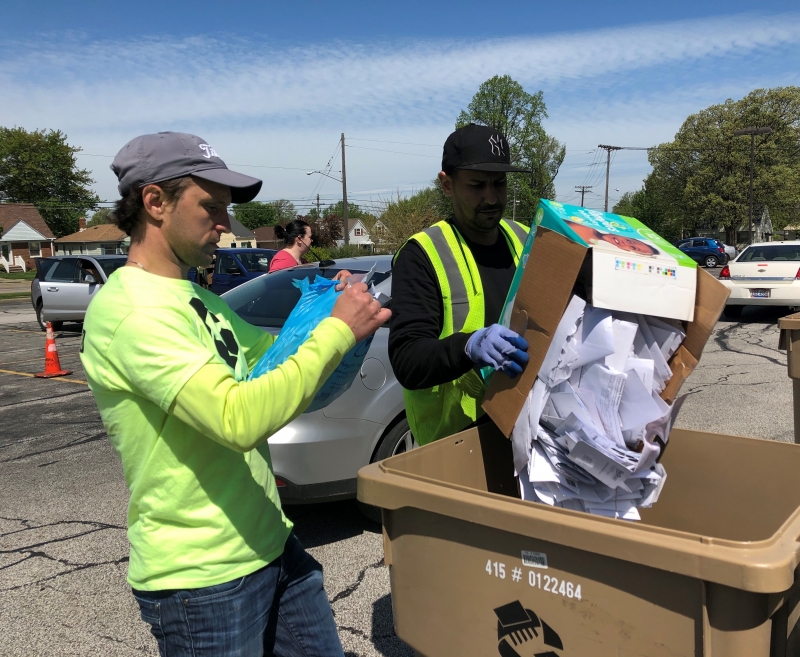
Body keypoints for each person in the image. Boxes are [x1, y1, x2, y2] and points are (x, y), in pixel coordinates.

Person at [79, 131, 390, 657]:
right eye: (211, 207)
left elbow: (281, 368)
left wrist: (327, 317)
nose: (225, 224)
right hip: (203, 577)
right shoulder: (132, 310)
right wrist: (337, 331)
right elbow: (236, 418)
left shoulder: (198, 298)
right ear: (155, 202)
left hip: (269, 542)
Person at [388, 123, 531, 447]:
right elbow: (408, 359)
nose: (491, 197)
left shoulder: (525, 240)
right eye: (477, 185)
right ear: (447, 184)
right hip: (456, 449)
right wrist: (469, 347)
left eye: (499, 183)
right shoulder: (422, 254)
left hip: (528, 437)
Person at [563, 219, 660, 256]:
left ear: (626, 251)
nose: (625, 244)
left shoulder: (594, 248)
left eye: (633, 248)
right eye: (629, 241)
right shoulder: (587, 225)